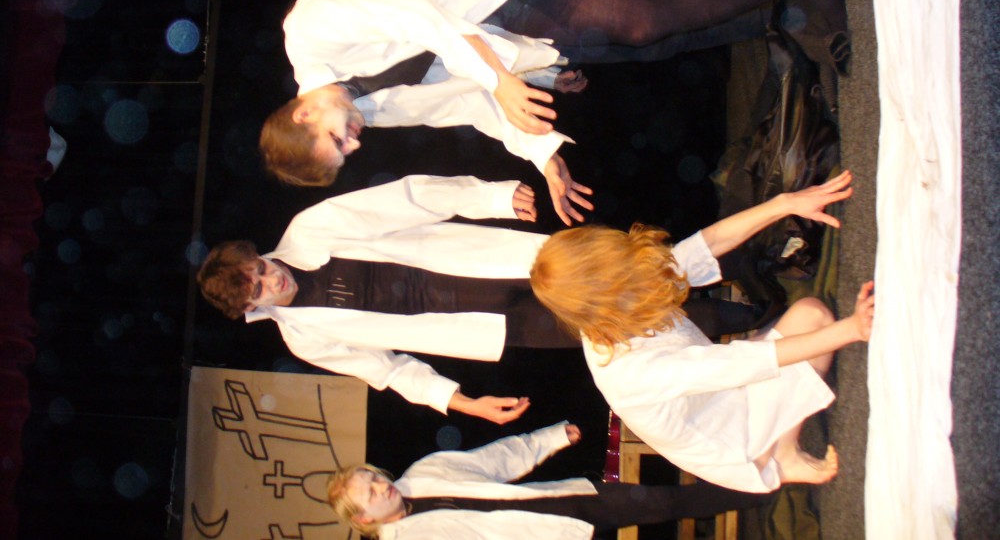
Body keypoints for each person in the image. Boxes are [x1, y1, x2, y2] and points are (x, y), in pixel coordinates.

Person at [260, 0, 864, 224]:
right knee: (641, 21)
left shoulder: (308, 31)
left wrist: (499, 78)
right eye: (348, 153)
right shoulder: (365, 108)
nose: (354, 140)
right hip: (496, 2)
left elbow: (417, 16)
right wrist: (543, 155)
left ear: (304, 113)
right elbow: (466, 97)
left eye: (337, 139)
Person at [198, 174, 772, 425]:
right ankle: (752, 317)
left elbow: (408, 197)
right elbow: (389, 371)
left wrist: (491, 197)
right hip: (482, 325)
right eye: (259, 288)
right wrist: (462, 403)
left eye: (261, 266)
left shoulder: (309, 229)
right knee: (608, 327)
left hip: (487, 262)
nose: (272, 278)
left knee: (617, 273)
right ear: (253, 308)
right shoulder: (303, 337)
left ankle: (734, 262)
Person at [530, 170, 875, 492]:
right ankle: (780, 455)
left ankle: (780, 438)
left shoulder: (622, 289)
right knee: (816, 319)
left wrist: (785, 204)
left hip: (719, 387)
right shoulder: (630, 370)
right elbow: (738, 363)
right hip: (724, 436)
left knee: (810, 316)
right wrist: (853, 329)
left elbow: (704, 247)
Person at [326, 421, 773, 539]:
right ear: (364, 518)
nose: (381, 486)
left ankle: (762, 486)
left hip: (570, 502)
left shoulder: (424, 473)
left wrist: (550, 438)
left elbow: (494, 460)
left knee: (664, 502)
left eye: (373, 477)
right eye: (371, 493)